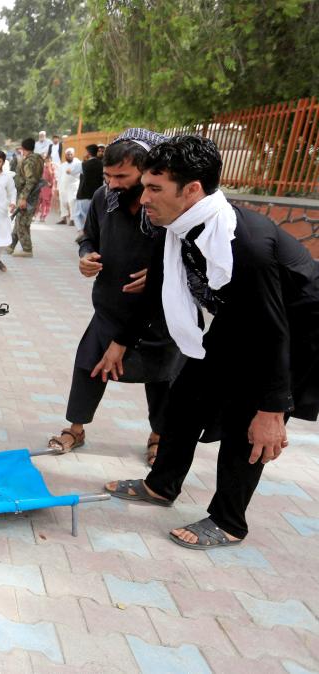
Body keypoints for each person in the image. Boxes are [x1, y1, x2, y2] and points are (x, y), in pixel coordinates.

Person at [106, 135, 319, 549]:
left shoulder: (245, 243)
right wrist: (121, 341)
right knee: (186, 397)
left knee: (249, 425)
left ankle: (228, 521)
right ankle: (162, 485)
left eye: (155, 188)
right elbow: (158, 288)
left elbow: (274, 329)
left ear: (192, 191)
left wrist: (275, 407)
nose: (143, 197)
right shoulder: (178, 229)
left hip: (298, 334)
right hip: (243, 320)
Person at [49, 129, 183, 466]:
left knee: (163, 376)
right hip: (110, 306)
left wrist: (161, 276)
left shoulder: (169, 205)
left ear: (147, 170)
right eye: (108, 176)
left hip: (161, 312)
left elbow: (189, 254)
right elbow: (88, 236)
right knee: (88, 365)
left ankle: (159, 436)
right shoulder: (102, 198)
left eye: (122, 176)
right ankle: (76, 429)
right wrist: (86, 254)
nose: (113, 184)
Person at [6, 138, 44, 258]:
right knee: (19, 219)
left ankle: (27, 249)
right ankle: (10, 245)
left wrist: (23, 198)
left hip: (28, 195)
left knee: (22, 222)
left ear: (22, 148)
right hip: (30, 194)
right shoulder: (38, 158)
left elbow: (31, 180)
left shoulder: (29, 161)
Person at [74, 144, 103, 231]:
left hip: (84, 195)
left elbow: (71, 171)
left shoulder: (84, 165)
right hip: (97, 195)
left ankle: (82, 232)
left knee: (77, 215)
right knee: (92, 216)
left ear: (88, 153)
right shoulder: (101, 164)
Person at [57, 147, 81, 225]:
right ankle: (63, 218)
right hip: (63, 186)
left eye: (71, 154)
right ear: (65, 156)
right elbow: (59, 176)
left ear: (73, 155)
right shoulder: (62, 165)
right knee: (63, 202)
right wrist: (58, 188)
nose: (69, 156)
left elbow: (79, 174)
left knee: (72, 202)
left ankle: (73, 219)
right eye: (68, 154)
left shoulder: (77, 163)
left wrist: (71, 172)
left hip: (73, 186)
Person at [36, 155, 56, 222]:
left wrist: (49, 168)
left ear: (51, 161)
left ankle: (43, 216)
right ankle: (35, 215)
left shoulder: (53, 168)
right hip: (42, 187)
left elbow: (53, 178)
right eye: (46, 161)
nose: (47, 162)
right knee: (38, 201)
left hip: (49, 188)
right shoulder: (42, 167)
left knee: (46, 203)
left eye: (49, 161)